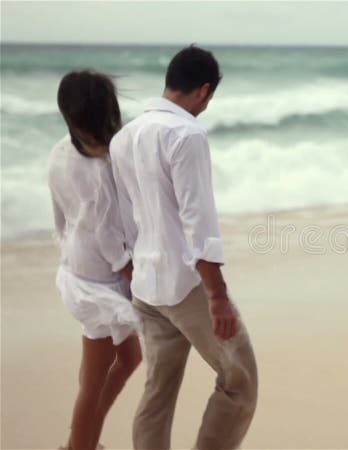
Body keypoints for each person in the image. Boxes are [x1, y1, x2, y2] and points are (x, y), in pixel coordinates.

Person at [109, 45, 258, 450]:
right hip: (185, 285)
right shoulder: (186, 134)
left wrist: (133, 274)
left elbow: (123, 219)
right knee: (239, 381)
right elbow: (198, 222)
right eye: (208, 99)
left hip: (146, 285)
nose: (205, 107)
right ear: (203, 90)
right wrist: (217, 296)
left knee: (158, 392)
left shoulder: (124, 137)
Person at [49, 70, 142, 450]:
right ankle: (79, 444)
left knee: (128, 358)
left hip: (77, 265)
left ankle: (84, 438)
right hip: (99, 282)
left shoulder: (59, 152)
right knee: (94, 378)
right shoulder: (103, 167)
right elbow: (107, 238)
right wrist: (133, 276)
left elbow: (60, 217)